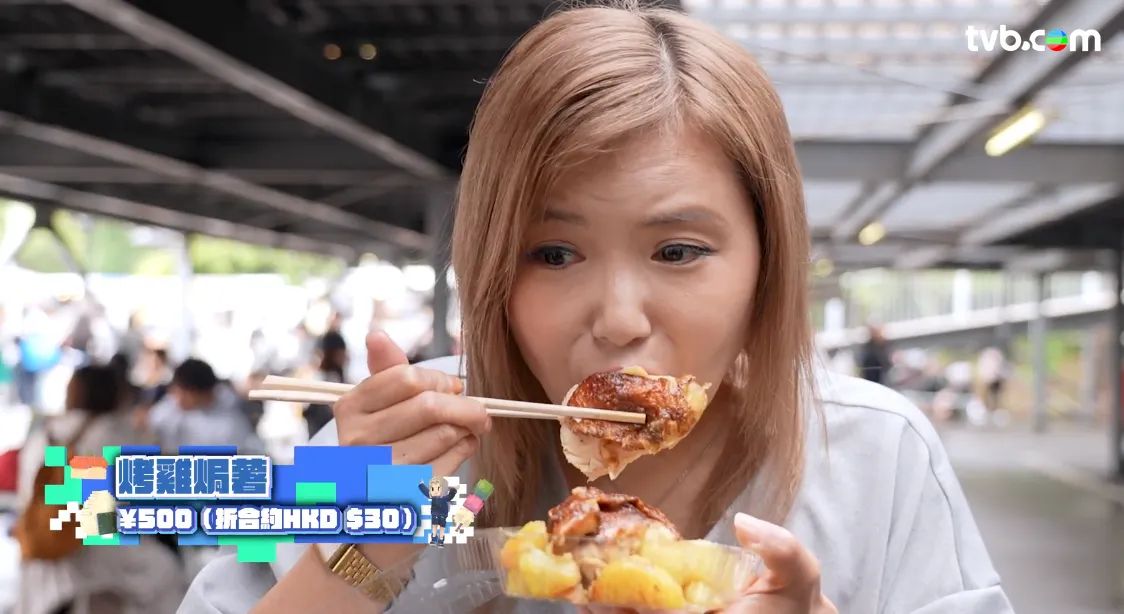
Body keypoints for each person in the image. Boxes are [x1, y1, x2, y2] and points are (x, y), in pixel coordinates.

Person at [179, 4, 1012, 614]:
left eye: (679, 252)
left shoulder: (874, 453)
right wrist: (363, 552)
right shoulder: (390, 442)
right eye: (552, 253)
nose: (617, 320)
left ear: (768, 259)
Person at [15, 365, 184, 614]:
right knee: (168, 572)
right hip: (89, 555)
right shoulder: (110, 434)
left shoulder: (44, 434)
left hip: (41, 550)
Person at [141, 358, 258, 452]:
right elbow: (152, 422)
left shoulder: (231, 426)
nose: (174, 395)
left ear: (197, 393)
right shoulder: (172, 405)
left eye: (180, 392)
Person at [303, 330, 349, 439]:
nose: (345, 357)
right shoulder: (318, 380)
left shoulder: (339, 377)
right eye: (341, 353)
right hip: (323, 443)